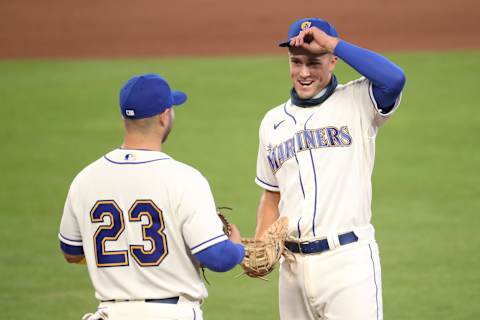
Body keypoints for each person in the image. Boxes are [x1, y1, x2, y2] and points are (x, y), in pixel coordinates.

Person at [58, 73, 245, 320]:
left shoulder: (85, 179)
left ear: (124, 117)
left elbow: (71, 252)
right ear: (165, 115)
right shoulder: (184, 179)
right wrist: (237, 247)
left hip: (111, 312)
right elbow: (217, 258)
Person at [254, 18, 406, 320]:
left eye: (314, 62)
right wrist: (260, 243)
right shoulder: (272, 123)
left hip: (347, 264)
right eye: (296, 62)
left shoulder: (358, 101)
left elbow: (394, 79)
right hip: (293, 270)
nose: (304, 72)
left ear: (333, 60)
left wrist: (331, 42)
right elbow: (272, 195)